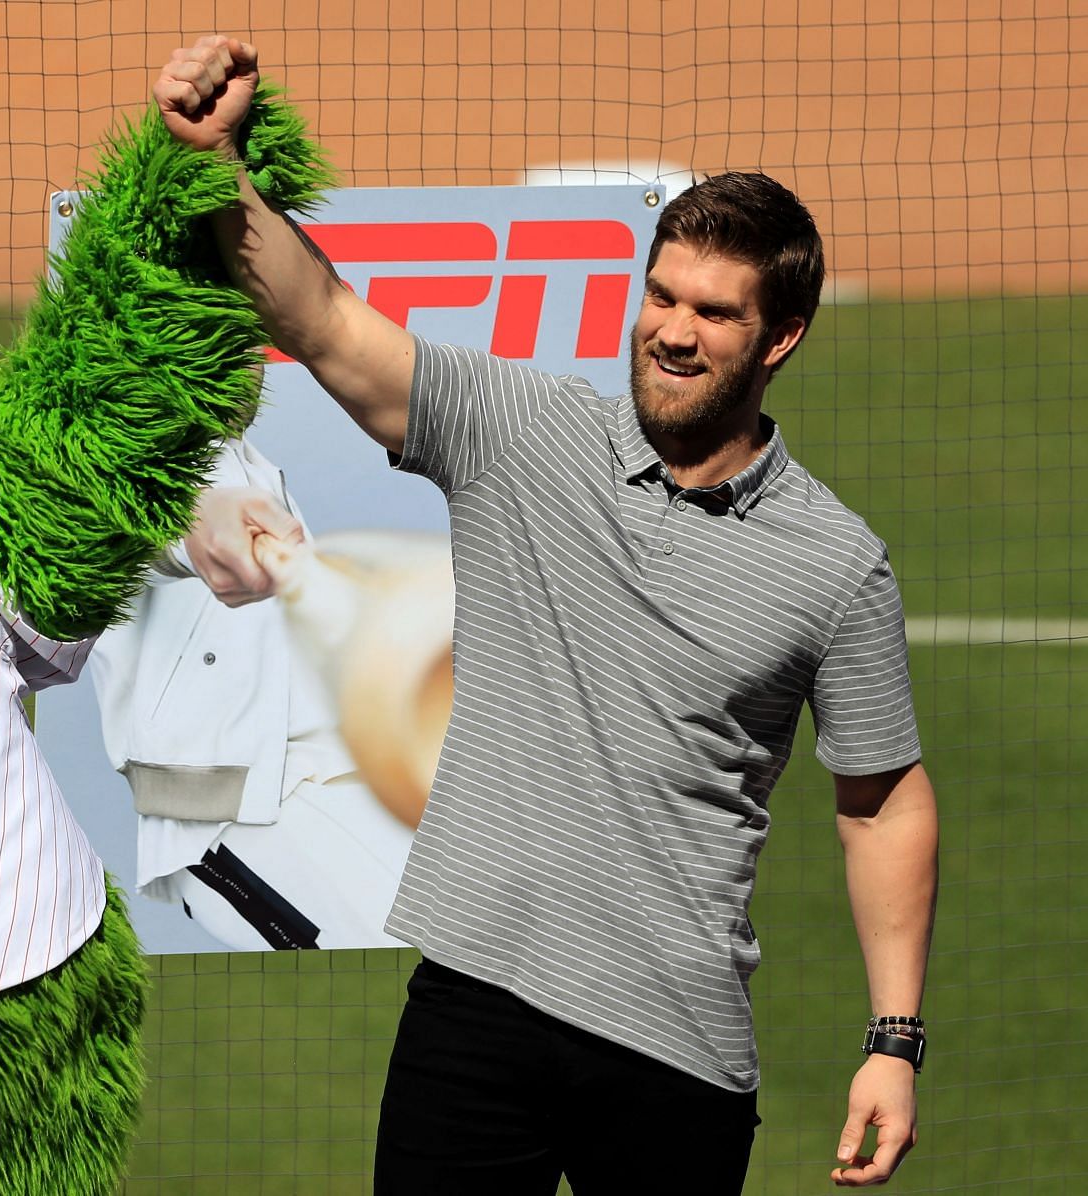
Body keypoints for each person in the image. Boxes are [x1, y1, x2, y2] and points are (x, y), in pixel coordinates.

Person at [155, 35, 940, 1193]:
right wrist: (217, 160)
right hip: (476, 1012)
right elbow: (322, 320)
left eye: (714, 313)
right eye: (661, 293)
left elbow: (882, 803)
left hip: (679, 1047)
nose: (673, 329)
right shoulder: (523, 432)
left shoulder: (836, 562)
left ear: (779, 339)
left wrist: (894, 1039)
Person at [87, 436, 416, 950]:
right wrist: (182, 531)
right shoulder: (94, 430)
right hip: (234, 815)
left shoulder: (243, 452)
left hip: (339, 769)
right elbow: (89, 516)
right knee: (438, 973)